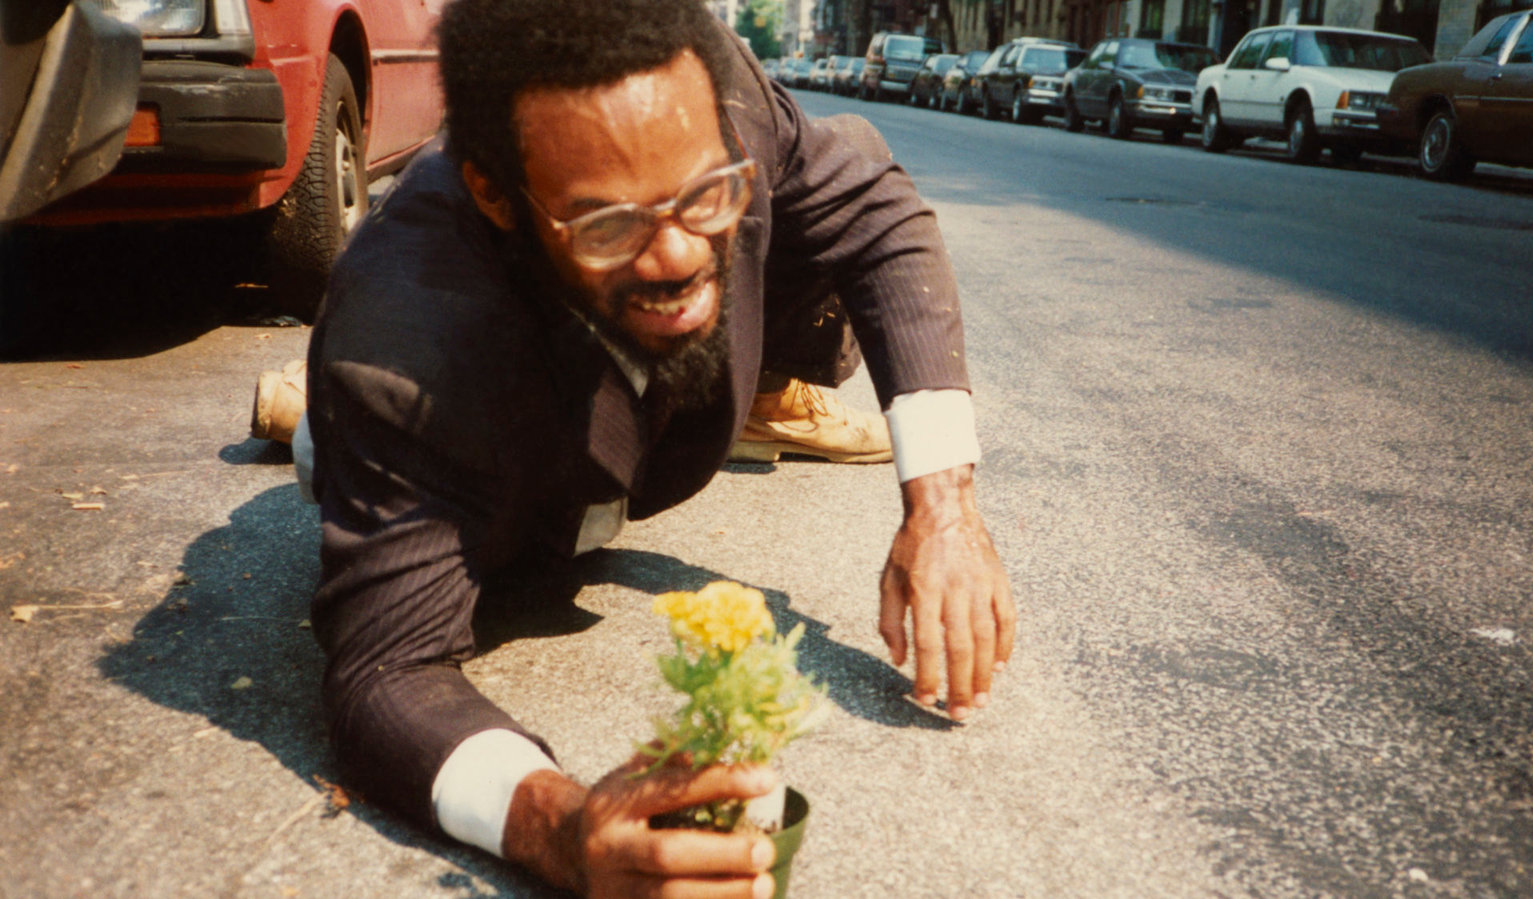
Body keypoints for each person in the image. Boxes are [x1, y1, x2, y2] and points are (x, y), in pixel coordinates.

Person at [303, 1, 1015, 895]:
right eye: (608, 223)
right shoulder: (406, 352)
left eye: (705, 192)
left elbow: (875, 204)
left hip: (590, 390)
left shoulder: (719, 96)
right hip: (448, 418)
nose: (678, 257)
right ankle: (317, 418)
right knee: (413, 443)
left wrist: (942, 504)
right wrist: (561, 827)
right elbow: (386, 671)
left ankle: (745, 393)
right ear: (494, 194)